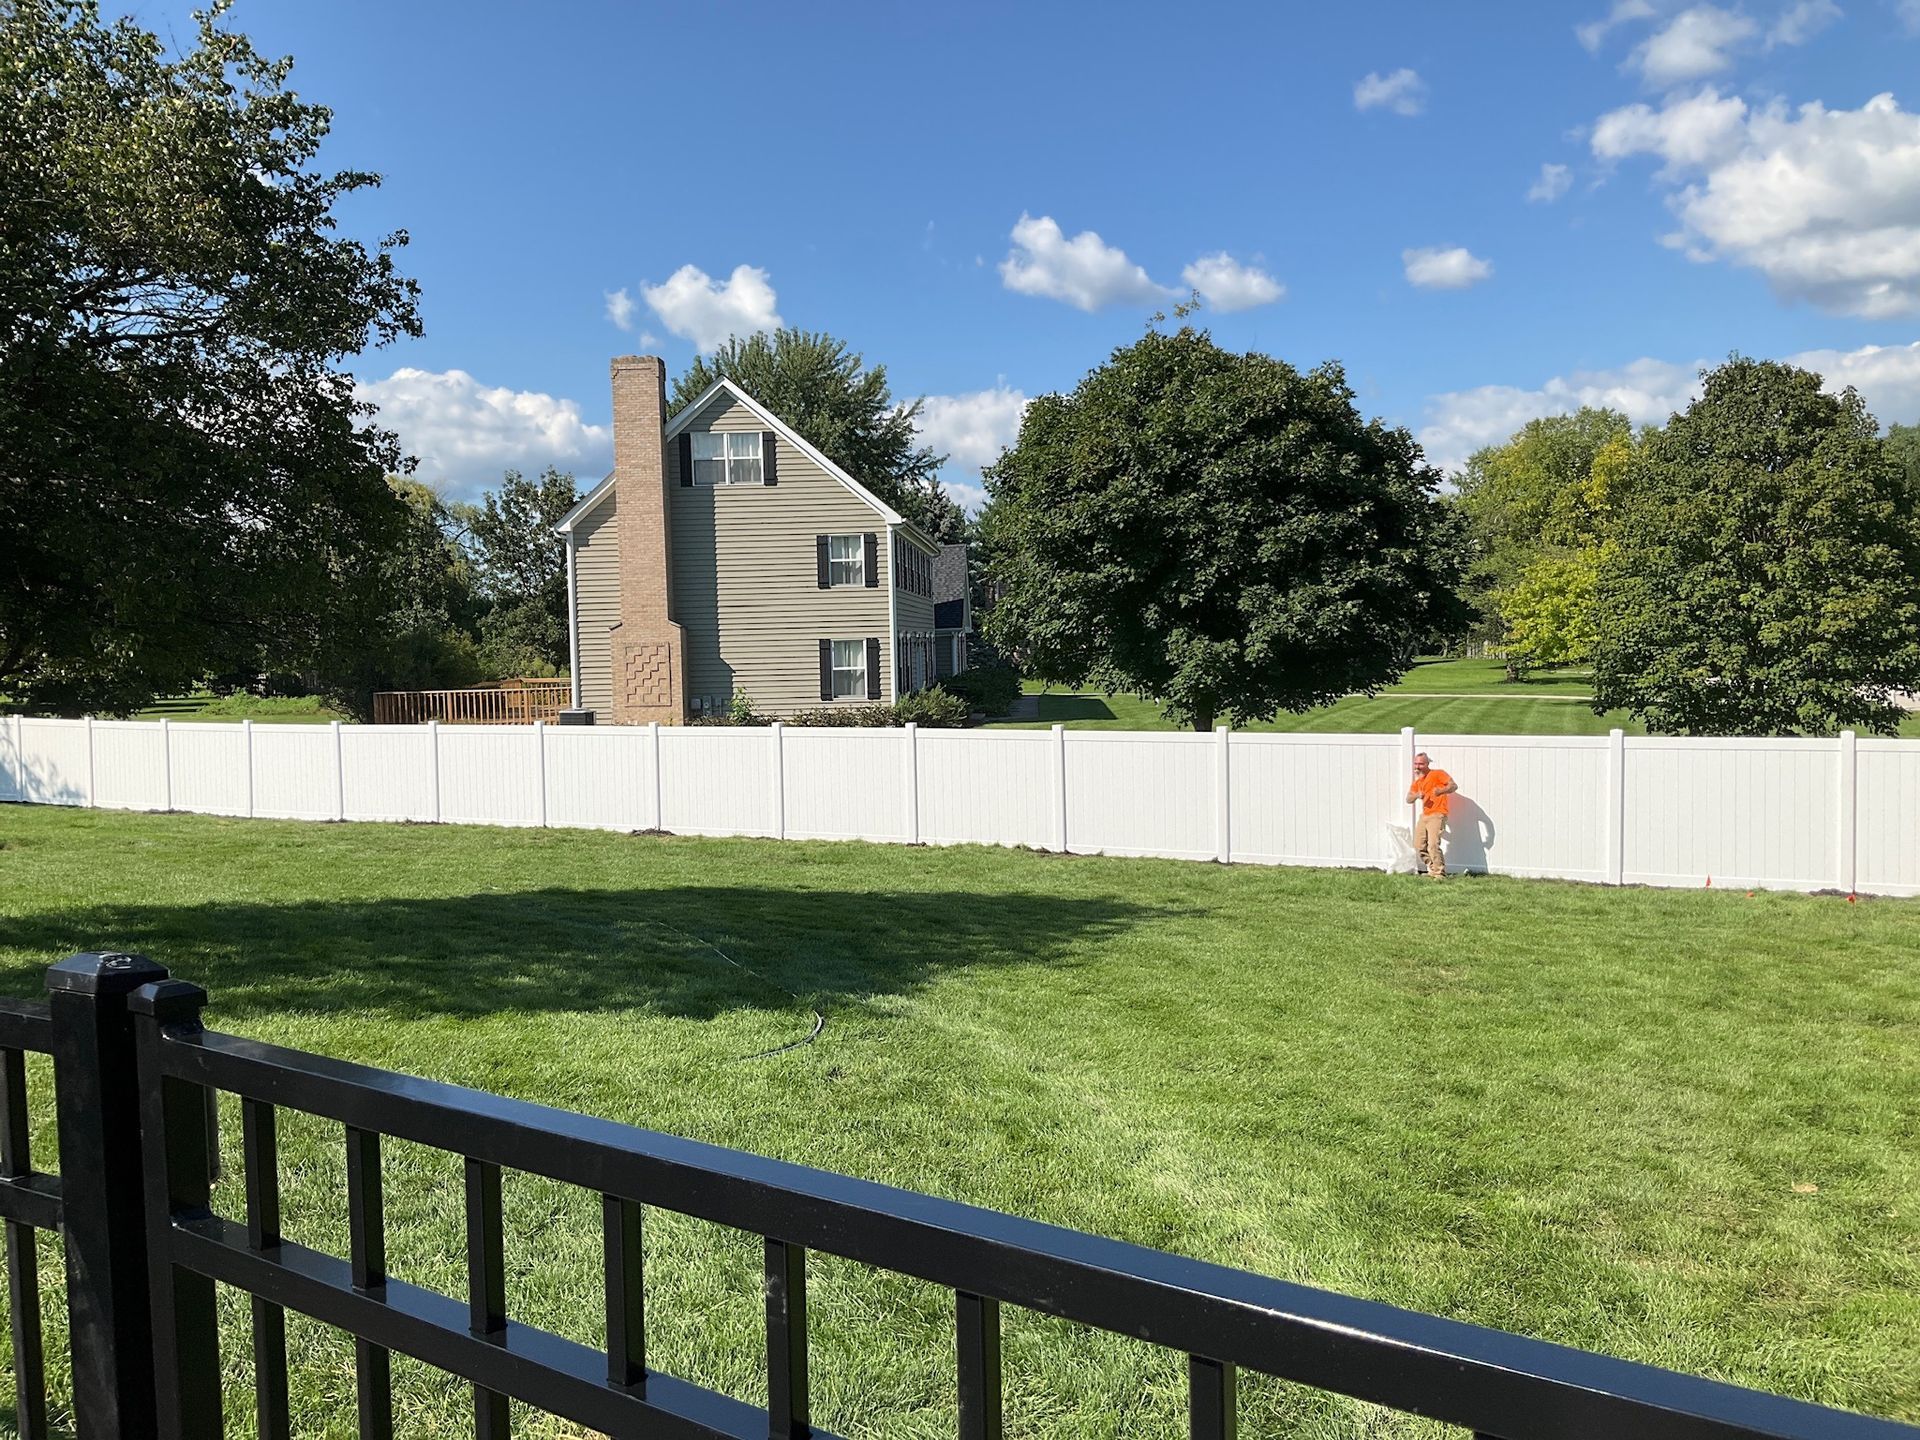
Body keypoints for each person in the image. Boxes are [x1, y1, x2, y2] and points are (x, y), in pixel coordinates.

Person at [1404, 752, 1457, 878]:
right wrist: (1417, 795)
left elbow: (1453, 786)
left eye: (1421, 764)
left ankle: (1439, 874)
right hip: (1425, 815)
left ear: (1427, 764)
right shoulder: (1417, 782)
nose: (1417, 766)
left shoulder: (1437, 774)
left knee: (1433, 844)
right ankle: (1432, 869)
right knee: (1418, 845)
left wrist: (1441, 791)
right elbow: (1408, 799)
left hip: (1438, 813)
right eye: (1416, 763)